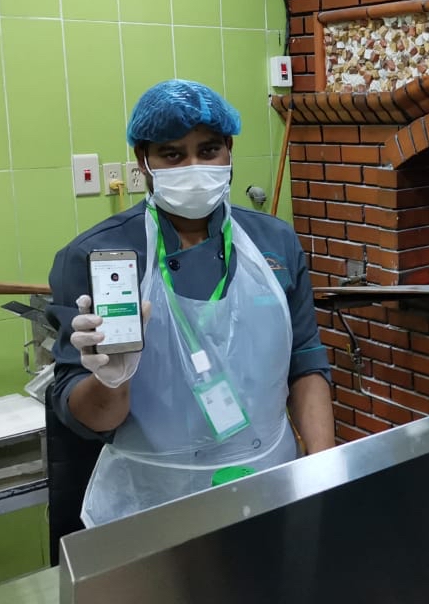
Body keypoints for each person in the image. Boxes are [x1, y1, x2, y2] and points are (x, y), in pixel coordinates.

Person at [44, 79, 334, 532]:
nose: (194, 167)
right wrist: (110, 380)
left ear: (230, 150)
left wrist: (324, 471)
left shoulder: (274, 242)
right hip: (153, 505)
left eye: (209, 150)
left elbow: (306, 360)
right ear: (144, 160)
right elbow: (90, 419)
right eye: (173, 154)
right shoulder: (99, 257)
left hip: (271, 485)